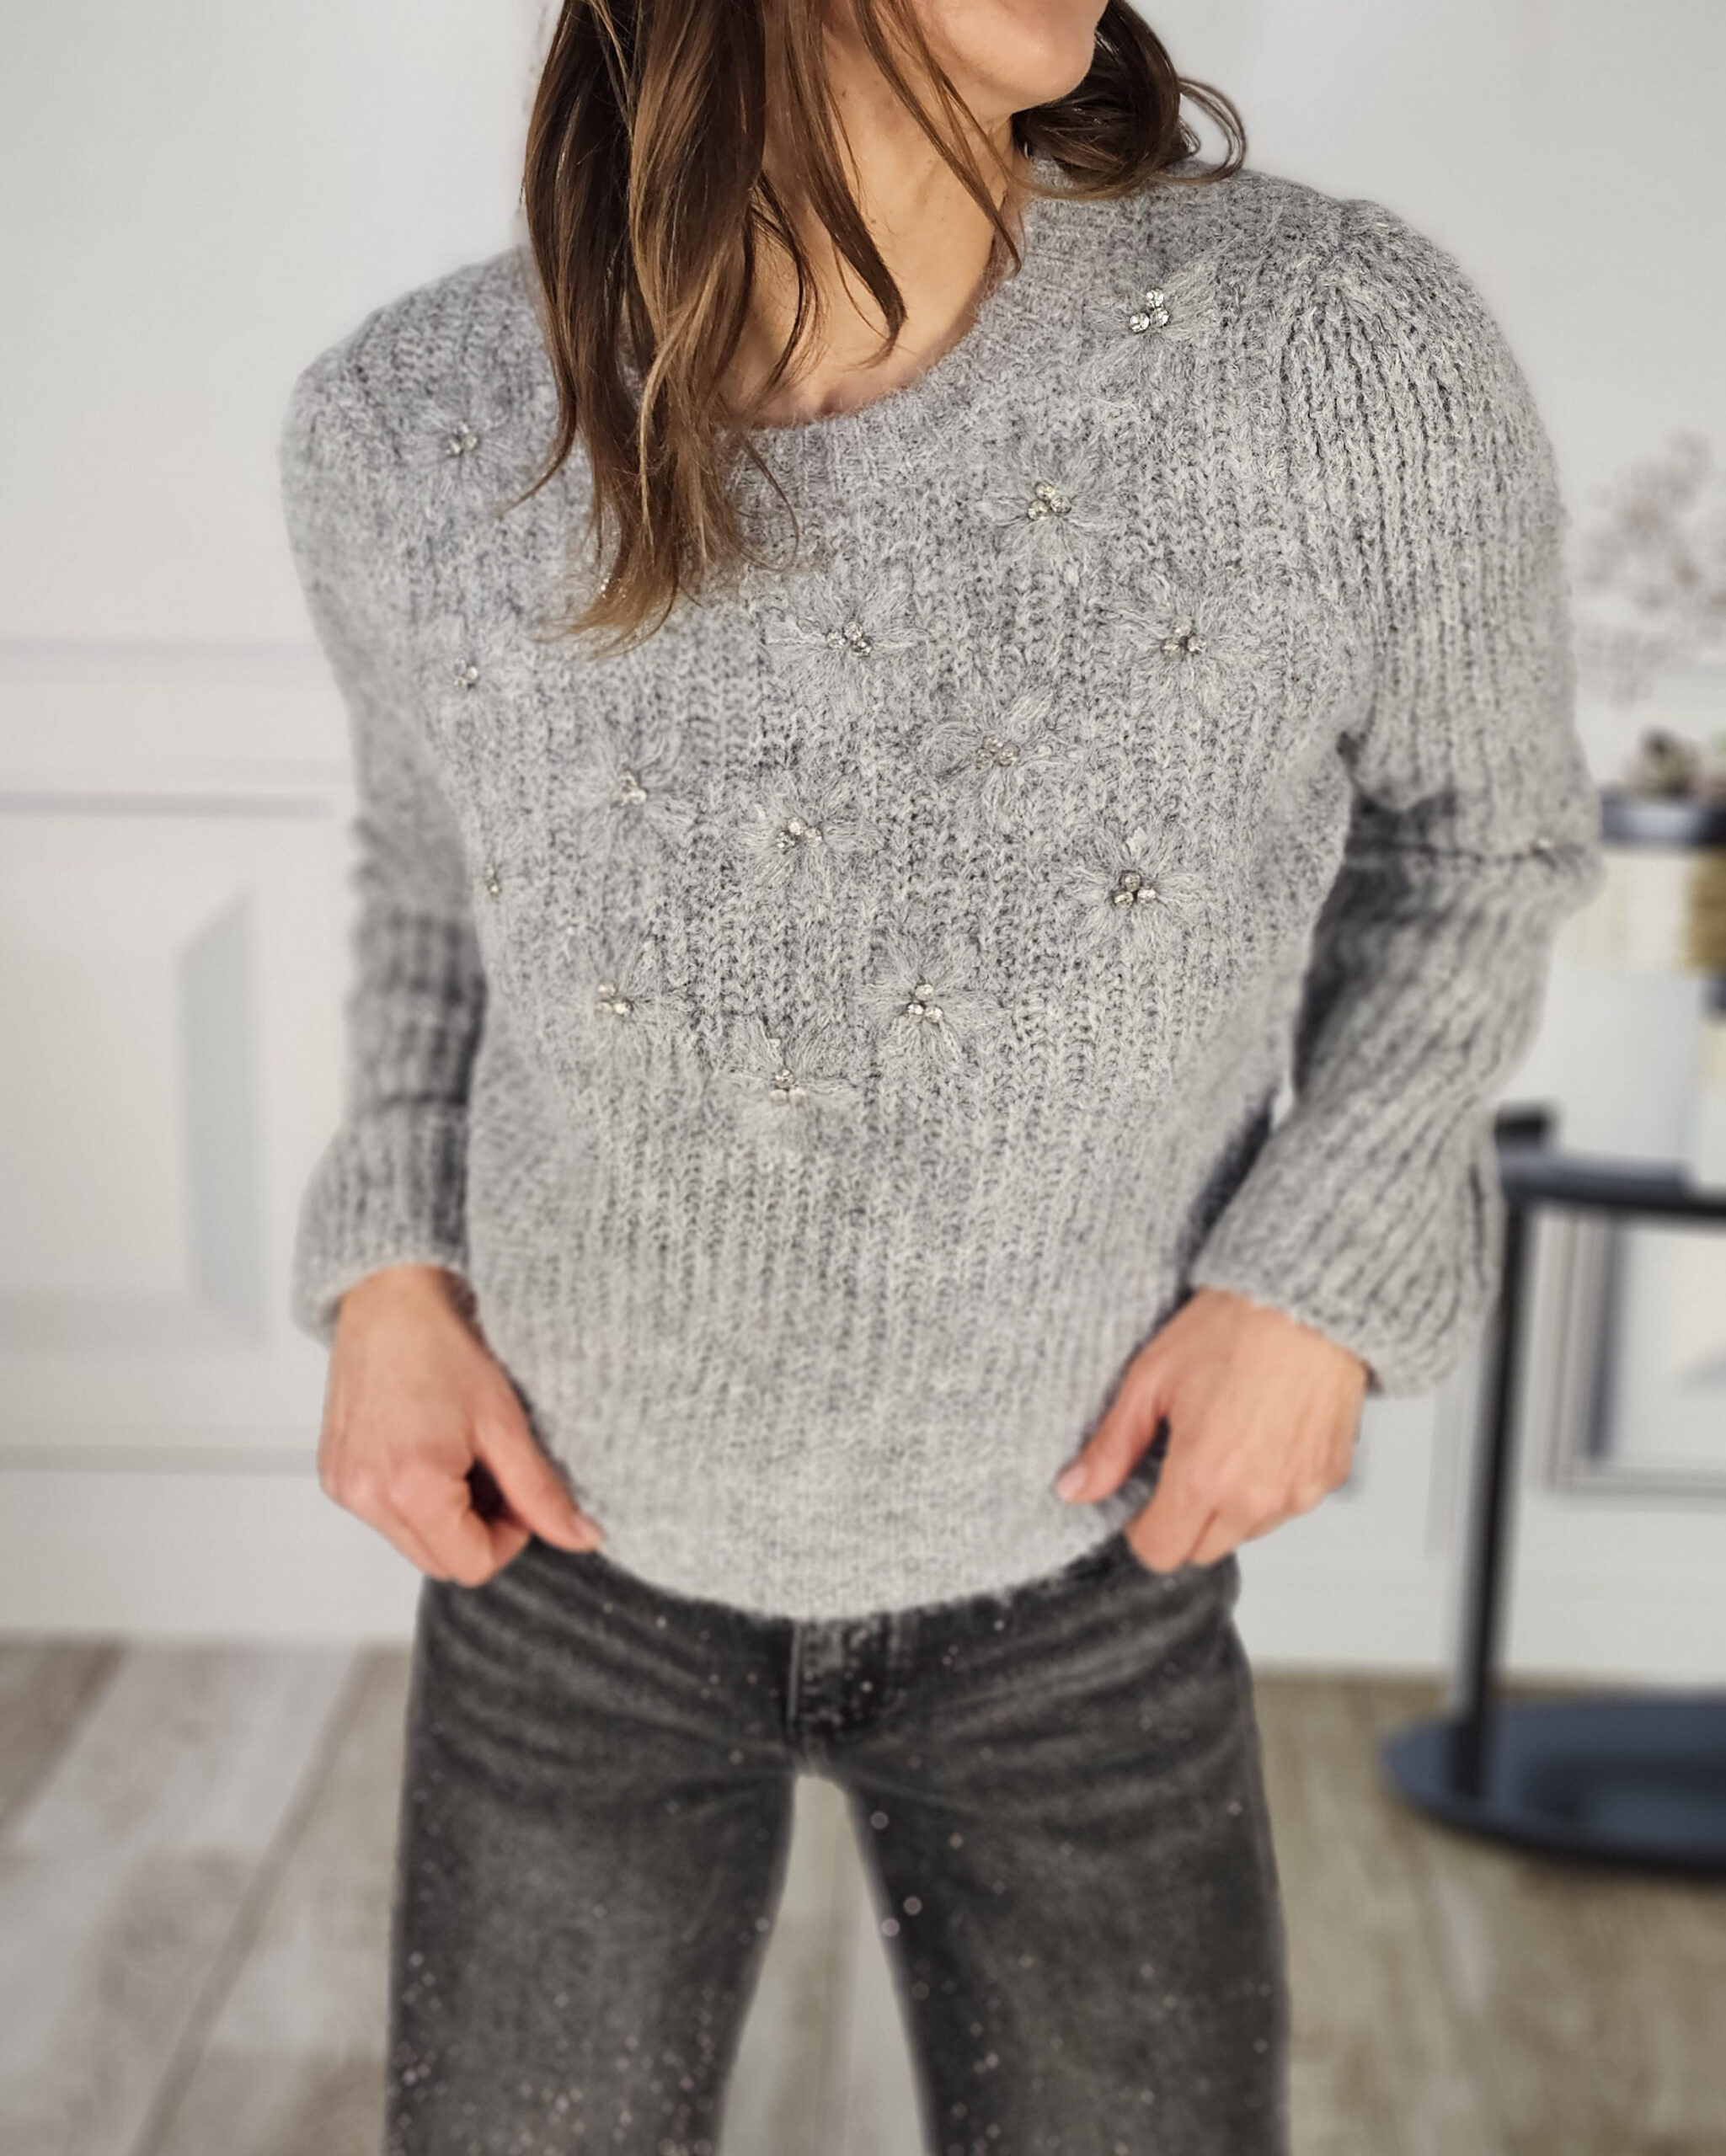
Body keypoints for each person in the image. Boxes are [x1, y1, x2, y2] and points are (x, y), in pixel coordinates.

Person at [278, 0, 1606, 2149]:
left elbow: (1480, 845)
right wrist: (389, 1270)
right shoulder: (409, 425)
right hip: (560, 1570)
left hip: (1084, 1578)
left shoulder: (1329, 350)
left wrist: (1315, 1283)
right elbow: (433, 884)